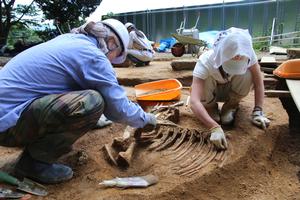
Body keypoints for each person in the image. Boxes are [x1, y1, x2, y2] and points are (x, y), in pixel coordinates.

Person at [0, 19, 157, 184]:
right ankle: (35, 164)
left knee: (88, 92)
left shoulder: (67, 41)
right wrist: (146, 119)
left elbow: (60, 85)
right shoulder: (92, 55)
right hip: (7, 127)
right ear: (111, 43)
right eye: (115, 57)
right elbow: (117, 109)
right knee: (93, 101)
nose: (111, 62)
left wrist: (93, 119)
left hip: (8, 114)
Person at [190, 27, 270, 150]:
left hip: (231, 90)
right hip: (211, 92)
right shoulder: (206, 61)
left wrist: (258, 111)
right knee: (204, 80)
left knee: (248, 74)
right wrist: (214, 127)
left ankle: (230, 106)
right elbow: (194, 101)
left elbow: (259, 82)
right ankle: (210, 108)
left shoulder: (248, 53)